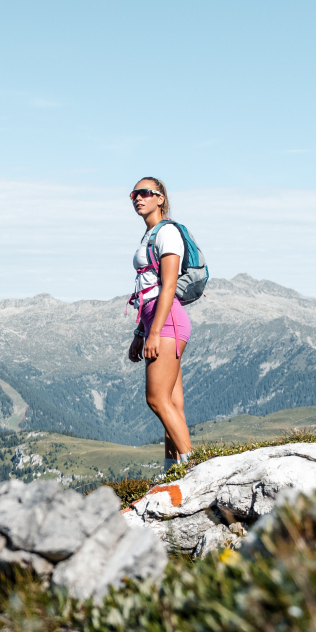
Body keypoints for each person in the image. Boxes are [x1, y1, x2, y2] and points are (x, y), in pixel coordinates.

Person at [126, 177, 192, 469]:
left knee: (156, 399)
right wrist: (140, 332)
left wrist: (153, 333)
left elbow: (167, 287)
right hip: (156, 320)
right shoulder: (150, 235)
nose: (137, 198)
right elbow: (147, 290)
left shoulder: (168, 233)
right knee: (171, 403)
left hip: (167, 323)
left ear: (161, 198)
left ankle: (193, 468)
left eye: (145, 193)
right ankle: (172, 470)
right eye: (133, 194)